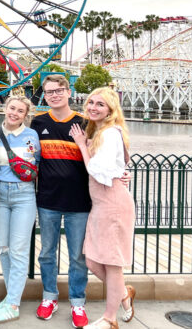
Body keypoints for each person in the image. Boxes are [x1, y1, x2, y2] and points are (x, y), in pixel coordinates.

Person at [69, 87, 136, 329]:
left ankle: (110, 319)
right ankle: (123, 293)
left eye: (100, 105)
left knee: (112, 262)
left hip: (113, 204)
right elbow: (120, 163)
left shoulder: (109, 133)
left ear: (110, 110)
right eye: (91, 103)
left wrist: (81, 146)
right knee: (93, 262)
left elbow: (96, 169)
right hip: (101, 204)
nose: (93, 107)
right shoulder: (99, 131)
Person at [30, 74, 91, 328]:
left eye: (59, 90)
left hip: (79, 200)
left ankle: (78, 301)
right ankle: (49, 297)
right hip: (48, 198)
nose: (54, 95)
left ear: (69, 92)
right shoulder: (38, 122)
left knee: (78, 256)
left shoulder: (85, 123)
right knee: (46, 253)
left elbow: (99, 157)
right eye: (49, 91)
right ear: (44, 95)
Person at [0, 95, 41, 324]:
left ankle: (12, 304)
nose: (15, 113)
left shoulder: (32, 135)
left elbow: (36, 166)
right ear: (5, 108)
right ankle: (11, 296)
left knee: (18, 250)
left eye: (20, 110)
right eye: (12, 108)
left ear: (25, 114)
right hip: (0, 194)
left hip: (23, 195)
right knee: (5, 249)